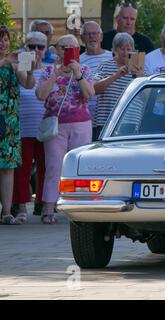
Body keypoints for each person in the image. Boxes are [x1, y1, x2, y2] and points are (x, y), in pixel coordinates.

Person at [36, 35, 93, 224]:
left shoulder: (84, 69)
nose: (68, 51)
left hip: (81, 124)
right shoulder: (49, 70)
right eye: (64, 47)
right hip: (56, 125)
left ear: (78, 51)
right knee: (53, 166)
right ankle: (48, 209)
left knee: (79, 167)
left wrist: (78, 74)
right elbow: (40, 95)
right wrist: (56, 74)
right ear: (58, 50)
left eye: (73, 48)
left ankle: (80, 208)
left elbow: (89, 95)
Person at [0, 26, 36, 225]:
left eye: (5, 40)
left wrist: (29, 71)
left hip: (10, 121)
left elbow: (29, 84)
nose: (3, 44)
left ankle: (6, 212)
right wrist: (6, 61)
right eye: (0, 40)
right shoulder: (6, 61)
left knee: (8, 167)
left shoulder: (14, 63)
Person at [12, 32, 48, 221]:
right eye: (31, 47)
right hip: (23, 126)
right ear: (25, 48)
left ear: (46, 49)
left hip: (44, 127)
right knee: (22, 169)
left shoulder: (50, 69)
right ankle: (21, 207)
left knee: (45, 168)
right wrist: (29, 68)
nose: (36, 51)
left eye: (40, 47)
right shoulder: (19, 68)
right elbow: (26, 84)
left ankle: (43, 204)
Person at [94, 33, 145, 139]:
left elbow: (147, 97)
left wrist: (140, 78)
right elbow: (95, 89)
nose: (126, 53)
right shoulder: (105, 66)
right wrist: (116, 76)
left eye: (128, 49)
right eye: (122, 49)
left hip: (131, 122)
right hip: (106, 121)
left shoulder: (140, 68)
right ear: (114, 50)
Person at [80, 21, 112, 138]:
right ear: (82, 38)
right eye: (88, 34)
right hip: (85, 119)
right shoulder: (77, 61)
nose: (92, 37)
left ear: (101, 37)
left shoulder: (112, 57)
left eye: (95, 33)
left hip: (108, 119)